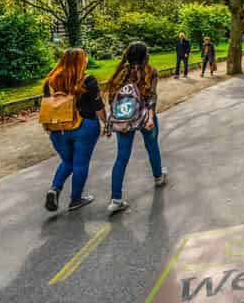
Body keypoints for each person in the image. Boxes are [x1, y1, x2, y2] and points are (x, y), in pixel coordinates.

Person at [106, 42, 166, 214]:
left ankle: (116, 198)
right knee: (152, 146)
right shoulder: (150, 71)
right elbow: (152, 96)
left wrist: (114, 120)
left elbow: (112, 99)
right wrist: (150, 116)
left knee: (122, 156)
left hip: (124, 118)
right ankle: (158, 176)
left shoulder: (120, 73)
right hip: (145, 115)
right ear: (145, 56)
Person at [43, 48, 106, 212]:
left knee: (67, 161)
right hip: (84, 126)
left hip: (58, 129)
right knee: (80, 163)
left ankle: (54, 189)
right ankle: (75, 199)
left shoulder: (50, 82)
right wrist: (106, 123)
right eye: (84, 58)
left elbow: (47, 106)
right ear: (81, 61)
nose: (86, 61)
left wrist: (48, 128)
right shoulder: (87, 80)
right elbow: (98, 106)